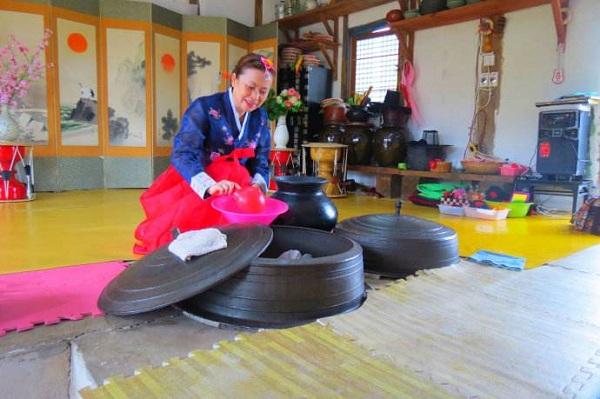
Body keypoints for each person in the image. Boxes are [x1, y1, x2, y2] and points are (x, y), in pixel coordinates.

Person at [133, 53, 276, 255]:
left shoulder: (260, 117)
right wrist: (210, 185)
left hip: (238, 189)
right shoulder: (204, 107)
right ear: (234, 79)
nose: (255, 97)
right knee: (186, 245)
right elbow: (183, 154)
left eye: (263, 91)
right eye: (250, 87)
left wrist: (257, 185)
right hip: (200, 181)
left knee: (238, 243)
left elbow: (261, 159)